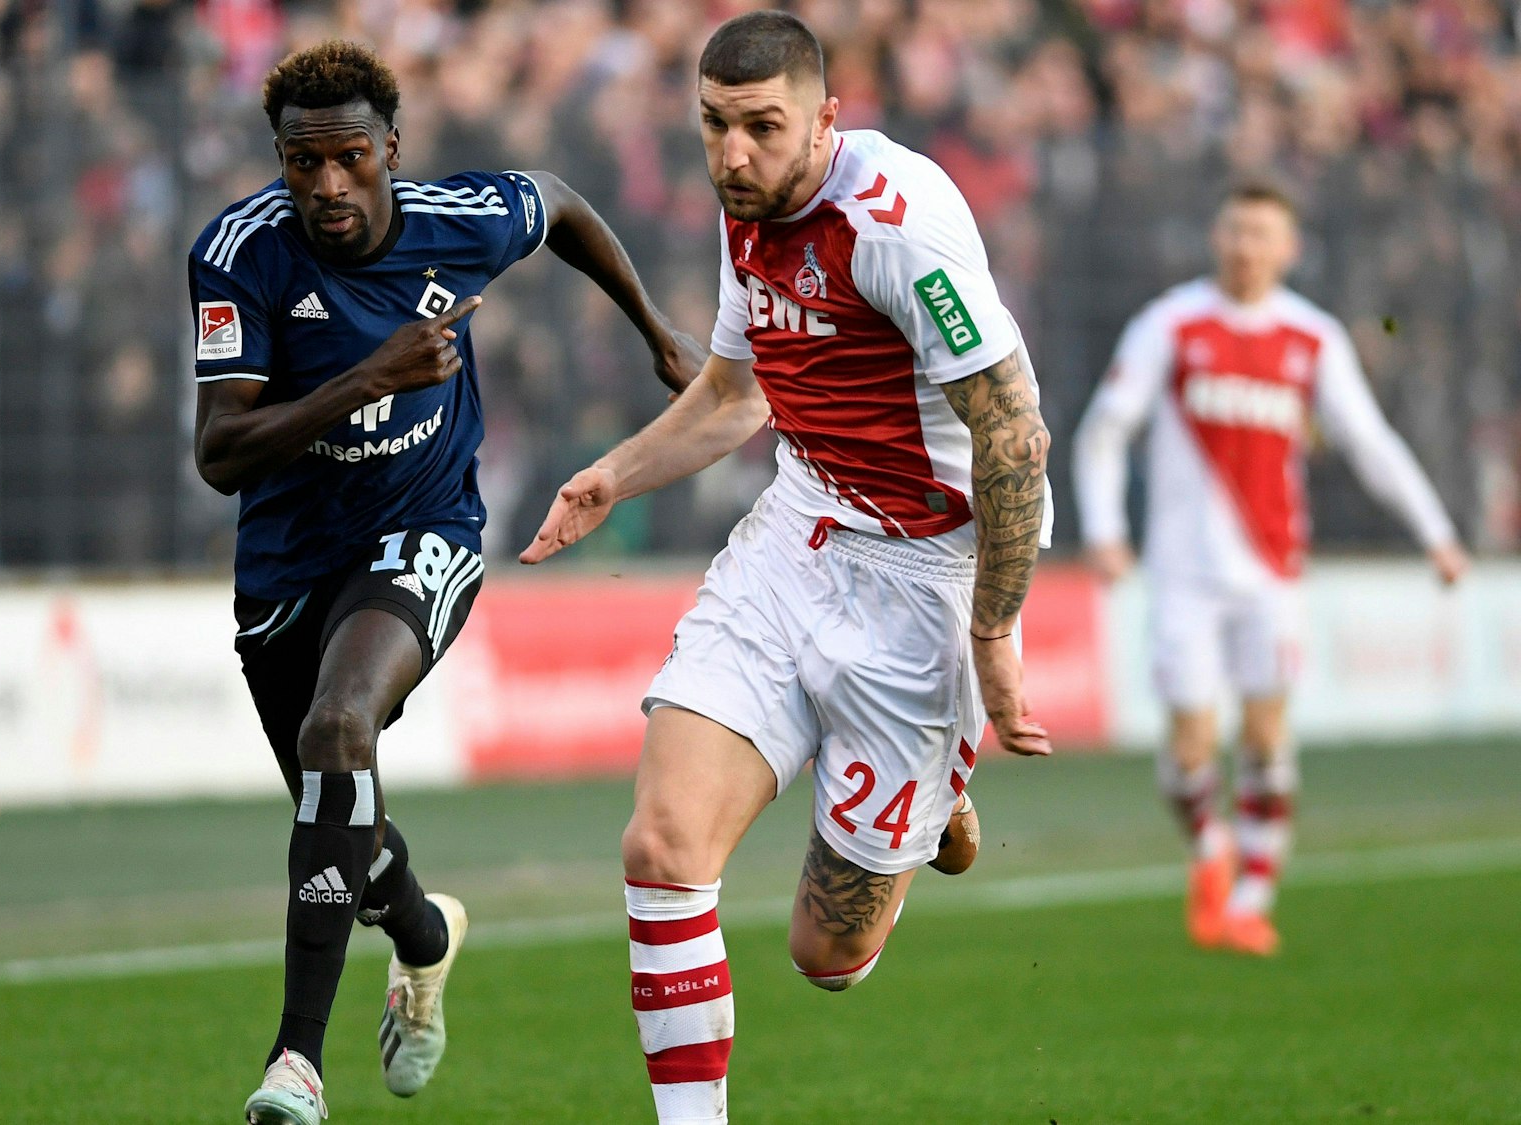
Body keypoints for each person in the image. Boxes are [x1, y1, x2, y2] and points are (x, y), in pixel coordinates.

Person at [521, 13, 1054, 1124]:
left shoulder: (894, 225)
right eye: (712, 126)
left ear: (824, 117)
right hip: (794, 538)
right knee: (663, 844)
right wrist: (613, 475)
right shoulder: (744, 209)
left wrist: (993, 632)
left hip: (924, 586)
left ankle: (929, 793)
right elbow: (733, 394)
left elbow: (1009, 434)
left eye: (759, 128)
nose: (729, 155)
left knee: (827, 958)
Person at [188, 40, 701, 1125]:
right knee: (347, 828)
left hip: (424, 528)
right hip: (286, 564)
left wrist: (655, 334)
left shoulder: (458, 218)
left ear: (390, 150)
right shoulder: (237, 255)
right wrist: (368, 377)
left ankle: (295, 1065)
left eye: (350, 157)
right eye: (301, 161)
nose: (327, 184)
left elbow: (557, 202)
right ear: (278, 159)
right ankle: (421, 939)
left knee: (339, 732)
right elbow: (221, 452)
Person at [1072, 184, 1467, 956]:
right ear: (1216, 236)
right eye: (1236, 229)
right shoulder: (1172, 321)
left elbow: (1370, 443)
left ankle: (1252, 897)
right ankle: (1210, 844)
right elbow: (1106, 429)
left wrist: (1437, 533)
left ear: (1289, 249)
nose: (1247, 245)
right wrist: (1110, 530)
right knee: (1190, 745)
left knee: (1264, 730)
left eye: (1263, 234)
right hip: (1182, 573)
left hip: (1274, 572)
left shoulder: (1310, 337)